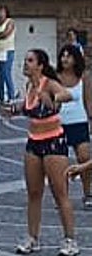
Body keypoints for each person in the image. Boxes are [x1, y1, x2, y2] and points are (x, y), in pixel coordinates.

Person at [6, 49, 78, 256]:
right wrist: (15, 109)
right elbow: (29, 107)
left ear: (40, 65)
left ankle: (70, 239)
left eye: (30, 60)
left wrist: (53, 97)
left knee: (59, 192)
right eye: (26, 60)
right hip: (34, 141)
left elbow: (67, 95)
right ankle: (33, 237)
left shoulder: (49, 84)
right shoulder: (29, 86)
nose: (26, 64)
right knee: (34, 192)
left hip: (53, 141)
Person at [56, 44, 92, 208]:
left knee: (84, 157)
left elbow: (88, 101)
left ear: (76, 59)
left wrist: (90, 121)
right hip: (59, 124)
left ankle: (88, 193)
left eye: (68, 56)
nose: (65, 59)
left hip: (79, 122)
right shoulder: (55, 77)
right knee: (59, 162)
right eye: (63, 55)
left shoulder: (84, 77)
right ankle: (62, 196)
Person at [0, 5, 16, 103]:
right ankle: (1, 97)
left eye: (3, 12)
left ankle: (11, 96)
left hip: (7, 51)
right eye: (0, 12)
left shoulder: (10, 22)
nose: (1, 14)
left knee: (6, 73)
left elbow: (6, 34)